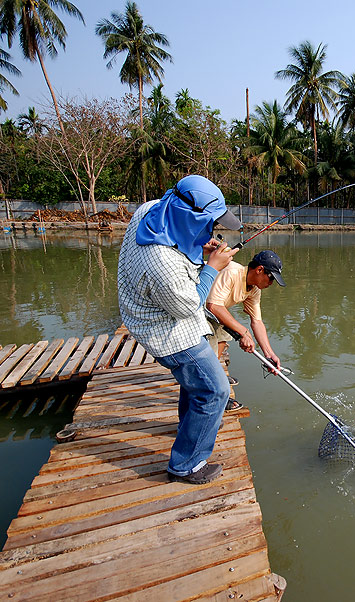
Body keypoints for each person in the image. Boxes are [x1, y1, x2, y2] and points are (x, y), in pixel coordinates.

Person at [116, 175, 244, 485]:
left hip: (152, 305)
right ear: (192, 217)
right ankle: (187, 464)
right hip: (165, 328)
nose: (214, 231)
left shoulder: (152, 210)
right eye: (209, 224)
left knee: (196, 384)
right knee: (215, 390)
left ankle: (188, 428)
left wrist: (201, 243)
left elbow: (179, 244)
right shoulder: (160, 263)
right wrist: (212, 266)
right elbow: (189, 305)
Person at [205, 250, 285, 409]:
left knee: (223, 336)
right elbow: (212, 305)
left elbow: (257, 321)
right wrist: (244, 332)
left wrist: (269, 354)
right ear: (259, 270)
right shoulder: (232, 272)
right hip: (198, 311)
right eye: (271, 278)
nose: (271, 284)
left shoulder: (254, 289)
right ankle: (214, 395)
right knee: (209, 357)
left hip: (216, 312)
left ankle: (215, 377)